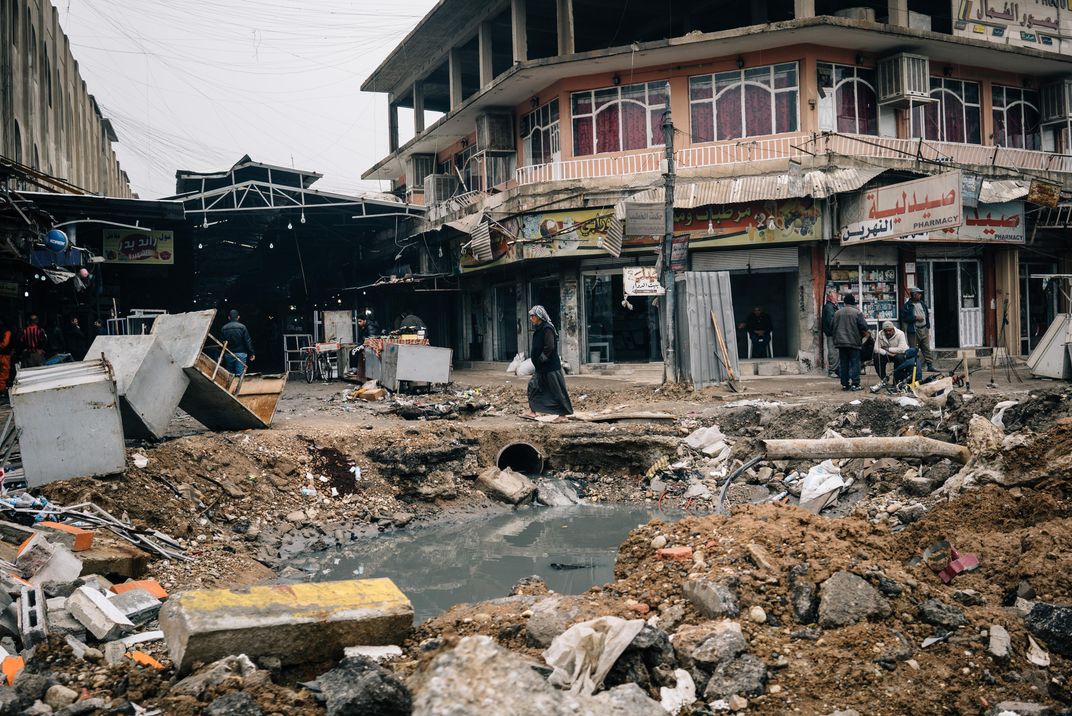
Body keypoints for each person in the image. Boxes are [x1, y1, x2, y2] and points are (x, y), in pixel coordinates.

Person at [521, 305, 573, 421]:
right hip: (541, 368)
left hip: (550, 367)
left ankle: (562, 415)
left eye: (532, 316)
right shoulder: (539, 328)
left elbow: (550, 347)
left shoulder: (547, 328)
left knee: (557, 390)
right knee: (533, 387)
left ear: (539, 316)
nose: (531, 318)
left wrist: (541, 359)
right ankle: (533, 411)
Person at [832, 293, 871, 391]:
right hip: (853, 342)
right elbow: (864, 327)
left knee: (844, 363)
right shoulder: (857, 313)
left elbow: (833, 326)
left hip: (841, 342)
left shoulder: (837, 313)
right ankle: (855, 384)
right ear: (854, 302)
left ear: (844, 302)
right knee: (855, 363)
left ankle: (845, 384)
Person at [900, 287, 934, 372]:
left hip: (924, 328)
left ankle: (930, 365)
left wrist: (927, 326)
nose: (920, 295)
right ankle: (915, 366)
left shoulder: (922, 304)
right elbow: (905, 318)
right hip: (914, 330)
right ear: (914, 295)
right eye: (918, 294)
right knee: (914, 348)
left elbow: (926, 315)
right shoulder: (907, 306)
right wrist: (915, 318)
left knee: (926, 347)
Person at [221, 309, 255, 376]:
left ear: (229, 317)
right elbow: (248, 341)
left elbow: (222, 342)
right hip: (241, 353)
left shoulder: (224, 328)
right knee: (240, 375)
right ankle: (239, 386)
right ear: (238, 317)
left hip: (228, 354)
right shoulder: (242, 327)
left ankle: (231, 386)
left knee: (230, 376)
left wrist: (220, 355)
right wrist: (252, 353)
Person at [821, 290, 840, 378]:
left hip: (833, 333)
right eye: (836, 296)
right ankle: (832, 371)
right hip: (832, 333)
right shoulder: (829, 307)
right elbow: (831, 321)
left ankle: (835, 370)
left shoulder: (832, 306)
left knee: (835, 352)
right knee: (833, 352)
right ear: (831, 297)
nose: (837, 298)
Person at [0, 320, 12, 397]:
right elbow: (5, 344)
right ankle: (2, 391)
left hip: (3, 355)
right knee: (4, 375)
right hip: (4, 356)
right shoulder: (7, 332)